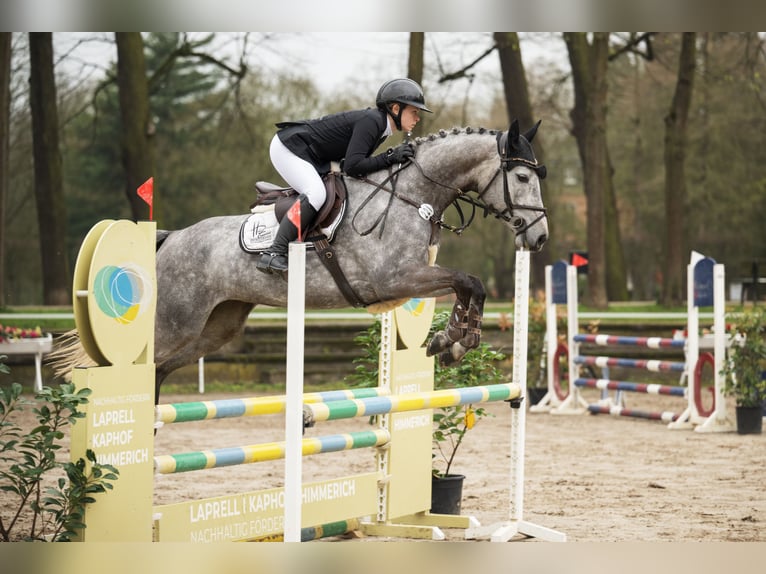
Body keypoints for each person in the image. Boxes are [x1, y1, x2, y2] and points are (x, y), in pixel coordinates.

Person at [256, 78, 432, 274]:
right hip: (289, 148)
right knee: (315, 194)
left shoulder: (381, 127)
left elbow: (349, 165)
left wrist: (389, 157)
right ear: (396, 109)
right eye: (414, 112)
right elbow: (354, 166)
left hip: (310, 154)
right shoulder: (372, 121)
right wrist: (390, 157)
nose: (417, 118)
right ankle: (274, 252)